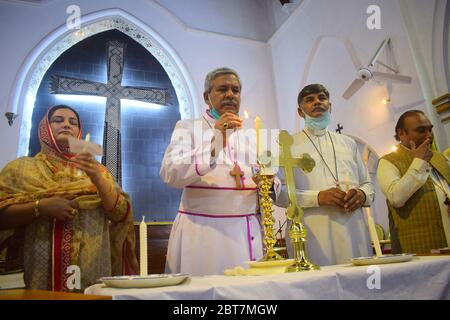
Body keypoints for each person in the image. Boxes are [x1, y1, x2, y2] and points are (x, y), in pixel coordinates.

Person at [0, 105, 138, 291]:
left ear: (79, 131)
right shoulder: (21, 169)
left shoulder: (97, 171)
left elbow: (120, 214)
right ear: (45, 129)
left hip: (91, 268)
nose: (66, 125)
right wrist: (41, 206)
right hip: (40, 271)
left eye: (73, 122)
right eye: (58, 120)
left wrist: (97, 178)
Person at [160, 67, 264, 275]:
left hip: (246, 231)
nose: (230, 95)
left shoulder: (253, 135)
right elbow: (170, 172)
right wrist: (216, 141)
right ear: (207, 97)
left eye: (236, 90)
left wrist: (269, 184)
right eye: (223, 89)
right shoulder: (188, 127)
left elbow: (271, 181)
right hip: (203, 233)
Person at [274, 84, 375, 266]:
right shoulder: (286, 146)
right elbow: (278, 194)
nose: (317, 102)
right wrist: (318, 197)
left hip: (354, 230)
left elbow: (367, 184)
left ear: (330, 106)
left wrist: (362, 195)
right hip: (313, 234)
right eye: (309, 100)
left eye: (322, 98)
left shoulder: (348, 143)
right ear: (300, 111)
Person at [377, 110, 450, 254]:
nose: (429, 135)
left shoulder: (441, 158)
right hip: (418, 247)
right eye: (421, 130)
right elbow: (396, 198)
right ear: (402, 134)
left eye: (430, 129)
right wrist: (419, 162)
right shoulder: (388, 162)